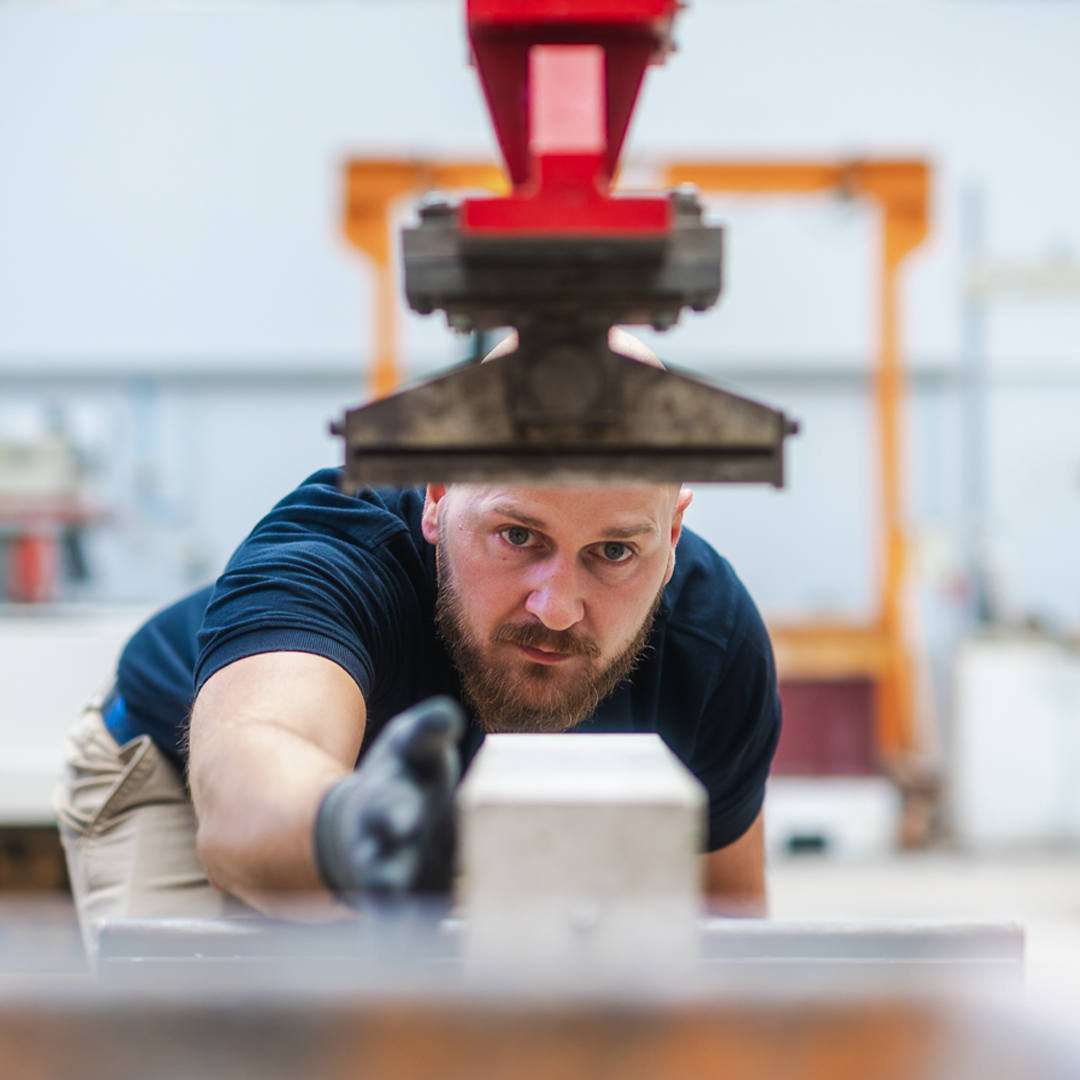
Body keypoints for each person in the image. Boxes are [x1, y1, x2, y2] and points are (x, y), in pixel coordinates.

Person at [55, 330, 781, 957]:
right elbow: (245, 789)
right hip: (177, 777)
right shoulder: (333, 554)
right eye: (518, 536)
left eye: (615, 552)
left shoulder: (710, 639)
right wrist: (356, 831)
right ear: (437, 493)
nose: (556, 608)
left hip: (422, 833)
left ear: (673, 533)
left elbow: (730, 938)